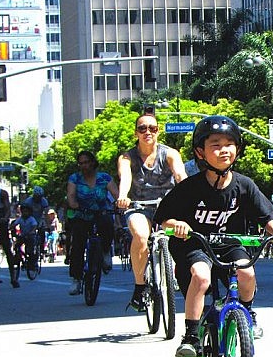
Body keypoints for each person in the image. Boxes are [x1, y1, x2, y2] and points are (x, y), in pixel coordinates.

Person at [153, 115, 273, 357]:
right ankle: (192, 337)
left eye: (229, 144)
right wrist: (178, 225)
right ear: (200, 152)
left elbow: (266, 216)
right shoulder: (189, 187)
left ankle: (248, 313)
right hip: (196, 244)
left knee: (246, 272)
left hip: (230, 244)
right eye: (215, 145)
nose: (223, 150)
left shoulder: (244, 185)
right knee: (201, 276)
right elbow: (164, 217)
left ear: (237, 149)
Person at [116, 112, 188, 310]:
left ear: (158, 131)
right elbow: (126, 178)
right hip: (138, 206)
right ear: (136, 133)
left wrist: (190, 194)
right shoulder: (127, 157)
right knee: (140, 235)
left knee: (183, 233)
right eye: (142, 128)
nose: (148, 132)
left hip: (167, 206)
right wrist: (123, 196)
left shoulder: (170, 154)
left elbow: (181, 175)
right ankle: (140, 286)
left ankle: (176, 271)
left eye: (152, 128)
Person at [67, 151, 119, 295]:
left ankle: (106, 251)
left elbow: (116, 194)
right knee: (77, 244)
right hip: (82, 214)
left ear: (93, 162)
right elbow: (71, 196)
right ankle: (76, 279)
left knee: (107, 224)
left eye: (86, 162)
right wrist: (75, 205)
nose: (84, 166)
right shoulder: (74, 178)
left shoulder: (104, 178)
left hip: (100, 212)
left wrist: (120, 203)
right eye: (81, 163)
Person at [10, 202, 38, 270]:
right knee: (17, 246)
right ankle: (17, 259)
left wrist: (32, 231)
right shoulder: (20, 218)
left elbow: (34, 226)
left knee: (30, 250)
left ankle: (32, 263)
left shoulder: (31, 219)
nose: (25, 213)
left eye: (26, 211)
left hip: (30, 236)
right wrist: (11, 227)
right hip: (23, 235)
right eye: (24, 211)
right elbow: (15, 224)